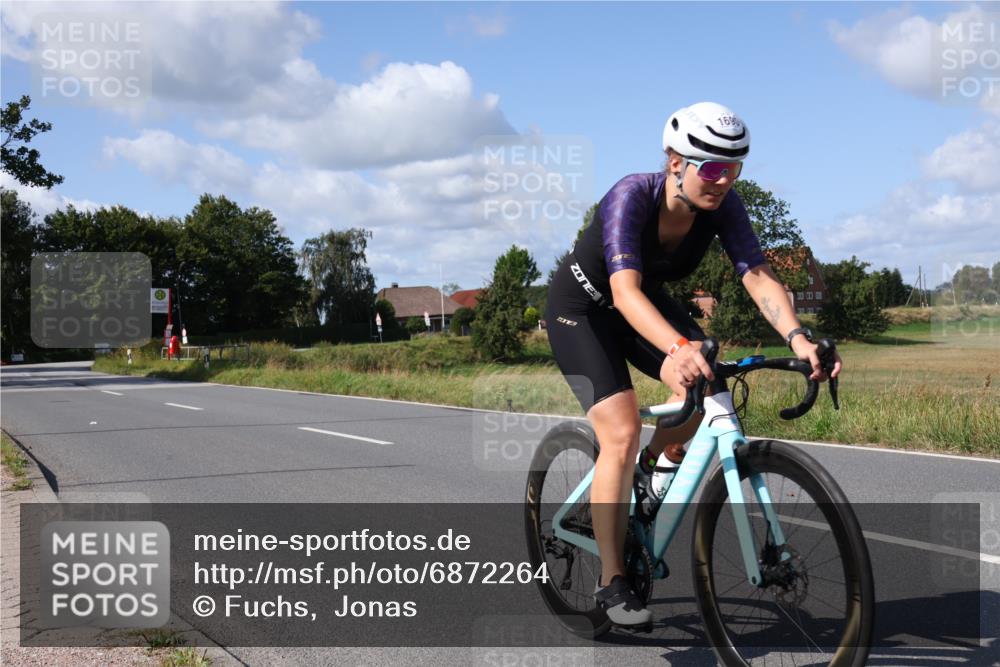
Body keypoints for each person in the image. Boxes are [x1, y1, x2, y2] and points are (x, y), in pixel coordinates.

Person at [544, 102, 842, 628]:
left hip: (644, 306)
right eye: (711, 168)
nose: (723, 181)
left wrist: (798, 338)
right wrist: (677, 347)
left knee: (708, 388)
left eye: (734, 169)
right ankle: (612, 581)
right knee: (621, 428)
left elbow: (757, 274)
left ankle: (650, 471)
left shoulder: (723, 205)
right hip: (584, 310)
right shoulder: (630, 196)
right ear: (675, 161)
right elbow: (624, 291)